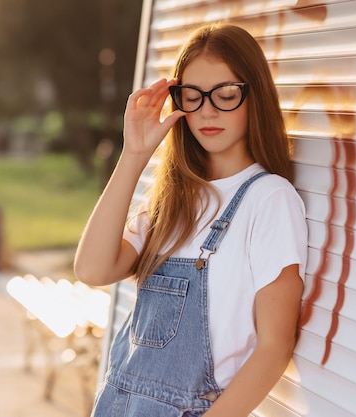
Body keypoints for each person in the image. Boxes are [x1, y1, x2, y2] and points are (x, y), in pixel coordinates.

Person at [74, 23, 308, 417]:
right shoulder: (174, 201)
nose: (209, 110)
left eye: (227, 94)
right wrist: (133, 155)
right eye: (193, 97)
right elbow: (91, 269)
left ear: (256, 96)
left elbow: (274, 348)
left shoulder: (269, 199)